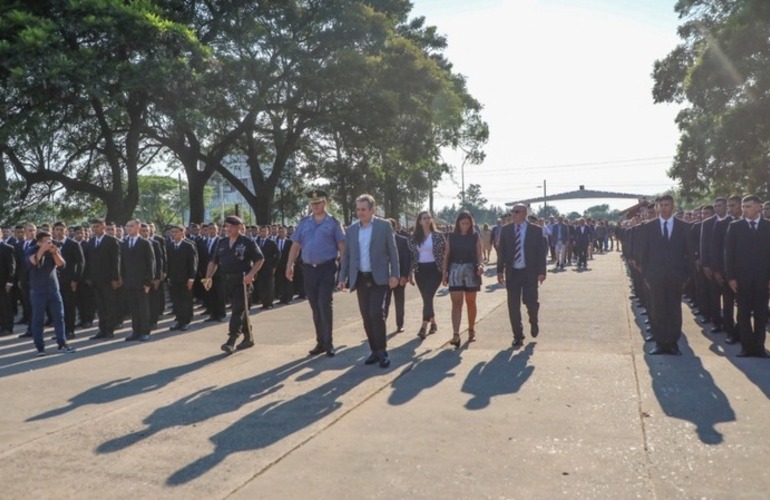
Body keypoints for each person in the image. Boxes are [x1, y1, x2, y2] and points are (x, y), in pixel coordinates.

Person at [338, 194, 399, 368]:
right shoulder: (351, 230)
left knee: (376, 313)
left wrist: (395, 274)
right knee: (366, 317)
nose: (360, 213)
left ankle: (382, 351)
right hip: (361, 278)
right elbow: (347, 256)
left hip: (379, 278)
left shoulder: (383, 226)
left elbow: (392, 252)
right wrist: (342, 277)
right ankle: (373, 350)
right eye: (358, 209)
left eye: (363, 209)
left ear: (372, 210)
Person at [285, 190, 345, 357]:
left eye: (318, 203)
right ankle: (320, 341)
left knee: (324, 303)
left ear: (325, 203)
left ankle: (329, 342)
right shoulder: (304, 223)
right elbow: (295, 246)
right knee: (314, 306)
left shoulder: (333, 222)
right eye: (312, 204)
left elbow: (342, 246)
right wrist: (289, 265)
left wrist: (343, 270)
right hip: (308, 269)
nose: (315, 206)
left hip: (326, 268)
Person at [638, 195, 692, 355]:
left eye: (667, 204)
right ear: (657, 207)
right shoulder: (648, 228)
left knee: (674, 310)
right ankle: (661, 343)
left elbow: (689, 254)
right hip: (655, 277)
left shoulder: (683, 227)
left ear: (673, 206)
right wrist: (646, 276)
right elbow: (643, 255)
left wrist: (686, 276)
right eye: (660, 205)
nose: (663, 208)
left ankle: (673, 343)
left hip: (677, 277)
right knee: (657, 310)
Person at [203, 215, 264, 354]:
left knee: (237, 310)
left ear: (239, 227)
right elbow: (213, 262)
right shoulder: (222, 242)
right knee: (241, 310)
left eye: (231, 226)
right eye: (226, 226)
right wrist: (208, 277)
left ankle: (231, 340)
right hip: (226, 280)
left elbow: (260, 259)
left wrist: (251, 274)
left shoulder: (247, 241)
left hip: (242, 281)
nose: (227, 229)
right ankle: (248, 337)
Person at [724, 195, 770, 357]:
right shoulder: (735, 226)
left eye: (748, 206)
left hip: (763, 280)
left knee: (760, 315)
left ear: (758, 207)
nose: (744, 209)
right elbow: (729, 254)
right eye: (743, 206)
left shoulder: (767, 227)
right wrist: (731, 278)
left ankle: (759, 347)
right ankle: (746, 347)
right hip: (741, 280)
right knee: (743, 315)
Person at [497, 204, 546, 348]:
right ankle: (518, 335)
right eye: (512, 212)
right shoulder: (506, 230)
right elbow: (502, 252)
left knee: (530, 301)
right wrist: (500, 270)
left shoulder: (535, 230)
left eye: (516, 212)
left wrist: (542, 272)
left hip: (529, 272)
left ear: (524, 213)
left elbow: (540, 252)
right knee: (513, 305)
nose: (513, 214)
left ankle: (534, 320)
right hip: (513, 273)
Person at [25, 231, 75, 356]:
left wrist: (54, 253)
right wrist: (42, 250)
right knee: (38, 320)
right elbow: (32, 262)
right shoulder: (31, 250)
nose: (50, 243)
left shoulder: (53, 250)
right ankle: (40, 347)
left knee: (59, 317)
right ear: (39, 242)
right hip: (38, 291)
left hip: (53, 289)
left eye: (51, 241)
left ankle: (62, 344)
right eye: (47, 241)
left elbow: (61, 264)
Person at [443, 211, 483, 347]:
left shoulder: (475, 236)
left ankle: (471, 329)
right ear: (458, 223)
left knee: (471, 302)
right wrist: (444, 273)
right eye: (462, 223)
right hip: (455, 271)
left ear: (471, 223)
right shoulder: (451, 237)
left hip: (471, 271)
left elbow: (479, 254)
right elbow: (446, 255)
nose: (465, 226)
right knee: (456, 303)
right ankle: (455, 334)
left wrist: (481, 265)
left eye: (467, 223)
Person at [408, 211, 446, 339]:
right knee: (426, 297)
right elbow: (411, 257)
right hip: (420, 270)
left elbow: (445, 254)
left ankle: (424, 325)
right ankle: (433, 323)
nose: (427, 220)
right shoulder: (414, 238)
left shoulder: (438, 236)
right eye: (424, 218)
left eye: (429, 218)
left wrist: (445, 272)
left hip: (435, 269)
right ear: (419, 221)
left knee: (428, 295)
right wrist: (410, 274)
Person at [85, 218, 121, 340]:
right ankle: (102, 329)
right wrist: (89, 277)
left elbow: (116, 261)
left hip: (109, 279)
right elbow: (88, 261)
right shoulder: (91, 242)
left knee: (110, 305)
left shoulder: (111, 241)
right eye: (93, 227)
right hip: (96, 279)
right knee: (100, 306)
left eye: (97, 226)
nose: (95, 229)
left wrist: (116, 278)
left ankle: (110, 330)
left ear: (103, 227)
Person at [121, 220, 156, 342]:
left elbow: (151, 263)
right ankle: (135, 331)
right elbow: (122, 264)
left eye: (131, 226)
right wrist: (123, 279)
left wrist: (148, 282)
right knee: (133, 309)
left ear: (138, 227)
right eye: (127, 226)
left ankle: (145, 331)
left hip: (142, 282)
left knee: (143, 308)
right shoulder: (124, 243)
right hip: (129, 282)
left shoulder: (145, 243)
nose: (128, 228)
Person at [52, 221, 84, 340]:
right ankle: (60, 332)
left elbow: (80, 263)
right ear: (53, 231)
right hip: (55, 281)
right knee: (57, 308)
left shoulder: (73, 244)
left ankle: (70, 330)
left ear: (65, 231)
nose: (59, 232)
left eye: (61, 229)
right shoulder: (51, 245)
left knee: (69, 307)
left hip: (69, 281)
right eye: (57, 229)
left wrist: (75, 280)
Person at [166, 225, 197, 331]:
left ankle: (185, 321)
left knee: (185, 300)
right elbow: (168, 263)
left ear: (182, 232)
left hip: (185, 278)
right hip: (174, 278)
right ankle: (179, 320)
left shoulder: (188, 245)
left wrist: (191, 278)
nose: (173, 234)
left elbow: (193, 263)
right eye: (172, 232)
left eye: (176, 232)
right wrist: (168, 276)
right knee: (176, 300)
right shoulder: (170, 246)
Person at [384, 218, 411, 333]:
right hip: (384, 278)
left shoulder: (402, 240)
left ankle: (400, 324)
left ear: (395, 227)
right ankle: (382, 323)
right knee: (384, 302)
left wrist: (405, 275)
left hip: (399, 277)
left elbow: (407, 259)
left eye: (389, 226)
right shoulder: (380, 240)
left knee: (399, 301)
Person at [255, 225, 280, 309]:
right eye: (262, 231)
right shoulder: (256, 242)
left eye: (265, 231)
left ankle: (269, 303)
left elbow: (278, 254)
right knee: (261, 285)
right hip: (259, 268)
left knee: (269, 286)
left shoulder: (271, 242)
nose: (263, 233)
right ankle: (264, 302)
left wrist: (274, 266)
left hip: (269, 267)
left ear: (268, 232)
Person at [0, 237, 16, 336]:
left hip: (4, 282)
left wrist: (10, 282)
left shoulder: (7, 248)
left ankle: (7, 327)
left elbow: (12, 266)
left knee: (5, 306)